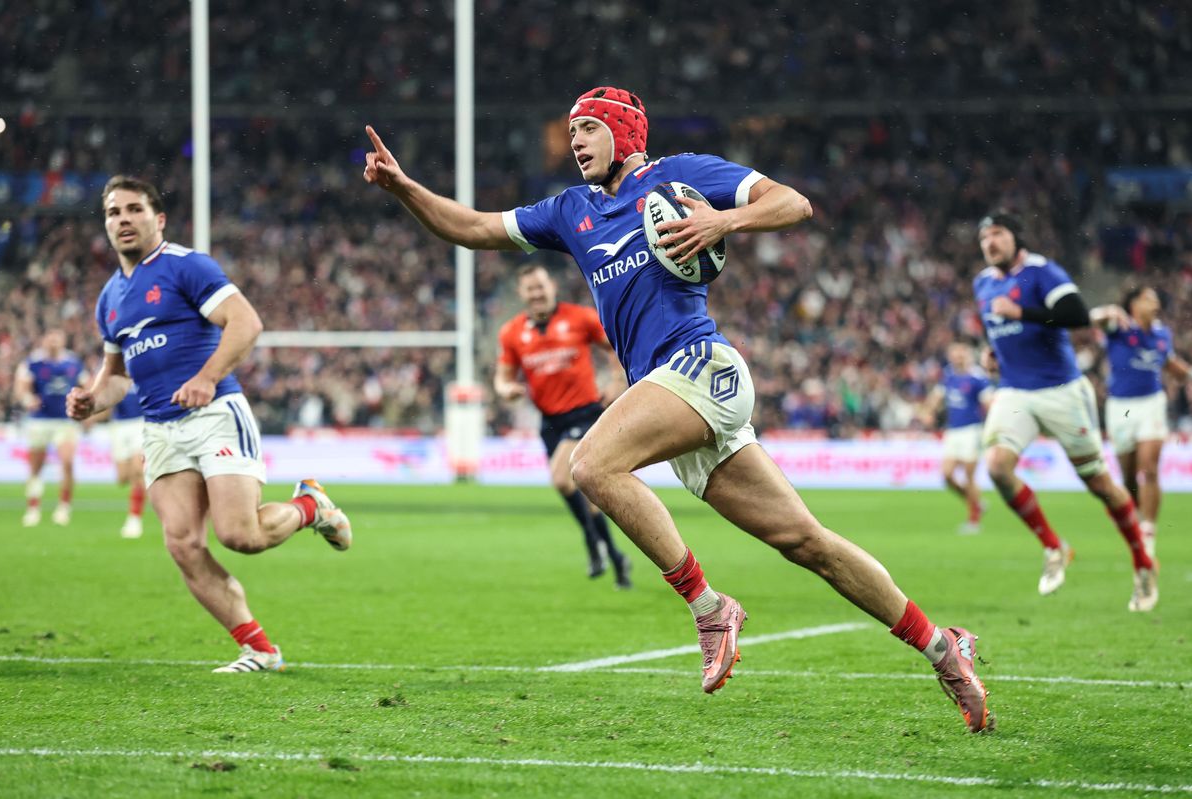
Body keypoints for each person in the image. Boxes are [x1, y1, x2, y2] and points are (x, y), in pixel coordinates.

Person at [362, 87, 992, 733]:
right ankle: (943, 647)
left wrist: (723, 221)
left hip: (700, 364)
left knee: (592, 466)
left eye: (587, 128)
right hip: (668, 390)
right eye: (571, 131)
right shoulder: (570, 210)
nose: (575, 141)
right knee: (806, 542)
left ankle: (709, 605)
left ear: (624, 133)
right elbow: (473, 227)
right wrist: (405, 187)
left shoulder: (683, 173)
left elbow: (791, 202)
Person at [67, 175, 353, 673]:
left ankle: (311, 505)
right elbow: (115, 376)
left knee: (240, 536)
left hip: (215, 414)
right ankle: (260, 650)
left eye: (134, 210)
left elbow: (246, 323)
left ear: (158, 219)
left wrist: (206, 377)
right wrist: (91, 401)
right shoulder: (110, 297)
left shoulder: (185, 266)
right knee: (182, 543)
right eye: (113, 213)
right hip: (160, 428)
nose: (123, 220)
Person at [973, 211, 1157, 611]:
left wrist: (1023, 313)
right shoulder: (983, 283)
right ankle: (1054, 547)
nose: (989, 242)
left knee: (1100, 485)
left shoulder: (1042, 272)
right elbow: (997, 330)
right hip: (1014, 391)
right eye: (984, 237)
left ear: (1015, 238)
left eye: (998, 234)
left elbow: (1076, 316)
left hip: (1061, 391)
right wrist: (991, 353)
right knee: (997, 466)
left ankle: (1143, 563)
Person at [495, 264, 631, 588]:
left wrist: (616, 380)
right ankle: (614, 557)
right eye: (530, 289)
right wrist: (506, 390)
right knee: (589, 497)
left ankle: (591, 542)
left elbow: (614, 345)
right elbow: (502, 376)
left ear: (551, 286)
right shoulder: (512, 333)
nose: (537, 294)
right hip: (550, 422)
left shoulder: (580, 318)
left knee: (561, 478)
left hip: (585, 414)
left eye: (541, 286)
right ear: (521, 294)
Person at [1091, 286, 1192, 559]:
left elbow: (1169, 363)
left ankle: (1148, 530)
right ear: (1133, 304)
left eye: (1156, 298)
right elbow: (1092, 319)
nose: (1155, 302)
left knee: (1149, 467)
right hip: (1121, 408)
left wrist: (1191, 375)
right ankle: (1131, 511)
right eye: (1148, 298)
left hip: (1151, 403)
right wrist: (1107, 311)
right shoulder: (1119, 326)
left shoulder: (1162, 333)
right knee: (1127, 477)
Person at [14, 329, 87, 527]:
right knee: (36, 467)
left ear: (63, 340)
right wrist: (28, 399)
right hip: (40, 420)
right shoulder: (33, 362)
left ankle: (64, 507)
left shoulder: (73, 362)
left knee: (67, 462)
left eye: (57, 338)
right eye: (50, 339)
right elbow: (21, 387)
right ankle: (33, 507)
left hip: (65, 420)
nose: (53, 342)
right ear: (44, 340)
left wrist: (85, 407)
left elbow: (86, 385)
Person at [920, 342, 993, 534]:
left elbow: (988, 404)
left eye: (961, 354)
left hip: (972, 431)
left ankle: (974, 519)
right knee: (947, 475)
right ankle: (976, 503)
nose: (958, 358)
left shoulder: (977, 378)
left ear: (968, 356)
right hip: (953, 431)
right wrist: (928, 411)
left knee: (969, 476)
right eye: (955, 354)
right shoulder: (949, 376)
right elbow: (936, 397)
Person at [109, 382, 147, 538]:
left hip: (140, 422)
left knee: (138, 470)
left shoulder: (141, 365)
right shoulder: (114, 370)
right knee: (123, 478)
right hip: (119, 425)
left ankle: (134, 518)